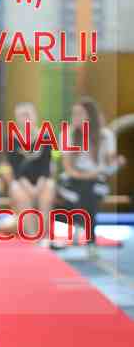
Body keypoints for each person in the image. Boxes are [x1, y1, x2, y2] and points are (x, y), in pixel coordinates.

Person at [57, 97, 126, 252]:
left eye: (80, 113)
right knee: (85, 189)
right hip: (74, 179)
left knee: (90, 189)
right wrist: (87, 175)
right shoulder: (67, 134)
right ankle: (90, 237)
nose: (75, 117)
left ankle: (80, 227)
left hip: (96, 180)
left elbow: (109, 165)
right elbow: (68, 168)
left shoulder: (105, 135)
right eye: (74, 113)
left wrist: (117, 163)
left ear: (90, 115)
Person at [4, 102, 55, 244]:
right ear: (17, 118)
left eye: (28, 114)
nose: (25, 118)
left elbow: (46, 166)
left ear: (35, 116)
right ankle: (32, 235)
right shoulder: (12, 139)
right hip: (21, 181)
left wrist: (38, 187)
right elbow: (15, 169)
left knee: (47, 192)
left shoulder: (45, 136)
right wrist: (29, 188)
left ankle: (44, 236)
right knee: (20, 194)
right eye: (21, 115)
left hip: (42, 180)